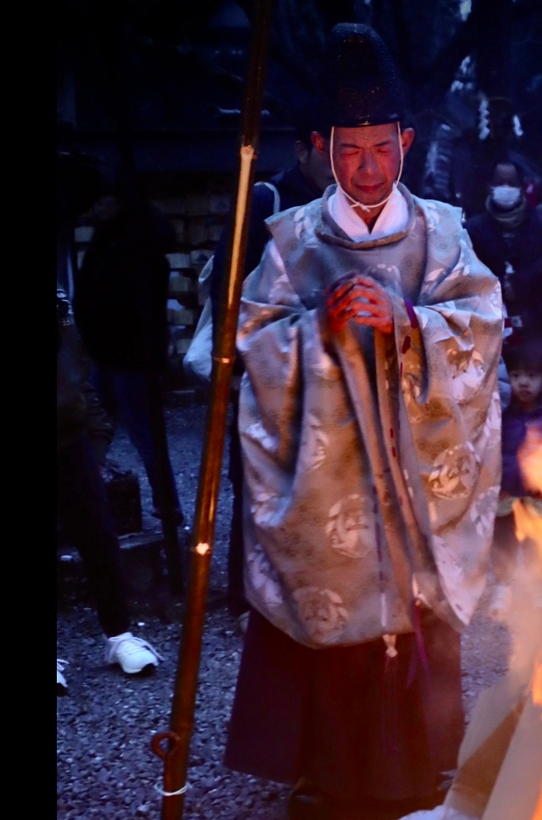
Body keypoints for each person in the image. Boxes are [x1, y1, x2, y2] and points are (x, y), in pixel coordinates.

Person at [223, 24, 503, 820]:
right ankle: (322, 776)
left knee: (412, 605)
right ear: (323, 147)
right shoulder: (290, 241)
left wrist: (409, 323)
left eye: (384, 147)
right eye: (352, 150)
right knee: (329, 607)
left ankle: (417, 767)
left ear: (407, 143)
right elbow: (254, 340)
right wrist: (320, 333)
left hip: (416, 469)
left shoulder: (444, 234)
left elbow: (483, 326)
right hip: (328, 476)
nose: (370, 167)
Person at [206, 112, 337, 623]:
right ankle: (247, 599)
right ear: (303, 150)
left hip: (324, 366)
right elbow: (229, 281)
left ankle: (310, 588)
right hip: (263, 361)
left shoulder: (348, 204)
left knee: (317, 479)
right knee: (258, 481)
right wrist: (238, 360)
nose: (336, 162)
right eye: (327, 149)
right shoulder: (268, 199)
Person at [57, 289, 161, 687]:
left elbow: (77, 374)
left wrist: (95, 438)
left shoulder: (59, 306)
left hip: (70, 437)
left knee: (100, 536)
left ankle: (119, 636)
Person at [73, 179, 183, 529]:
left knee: (145, 436)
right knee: (92, 429)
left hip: (131, 356)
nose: (99, 207)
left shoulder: (137, 243)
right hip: (106, 353)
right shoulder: (110, 237)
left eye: (106, 199)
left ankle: (168, 511)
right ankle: (89, 508)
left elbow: (123, 302)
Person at [490, 337, 542, 617]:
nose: (524, 382)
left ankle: (539, 588)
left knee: (538, 545)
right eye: (516, 375)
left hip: (538, 495)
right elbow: (493, 451)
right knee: (503, 544)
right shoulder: (501, 417)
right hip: (507, 494)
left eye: (532, 376)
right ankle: (503, 587)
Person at [465, 161, 542, 339]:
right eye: (500, 182)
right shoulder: (473, 229)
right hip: (485, 321)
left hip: (534, 319)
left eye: (511, 183)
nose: (506, 188)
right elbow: (465, 267)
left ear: (521, 187)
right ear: (490, 186)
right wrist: (498, 284)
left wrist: (521, 281)